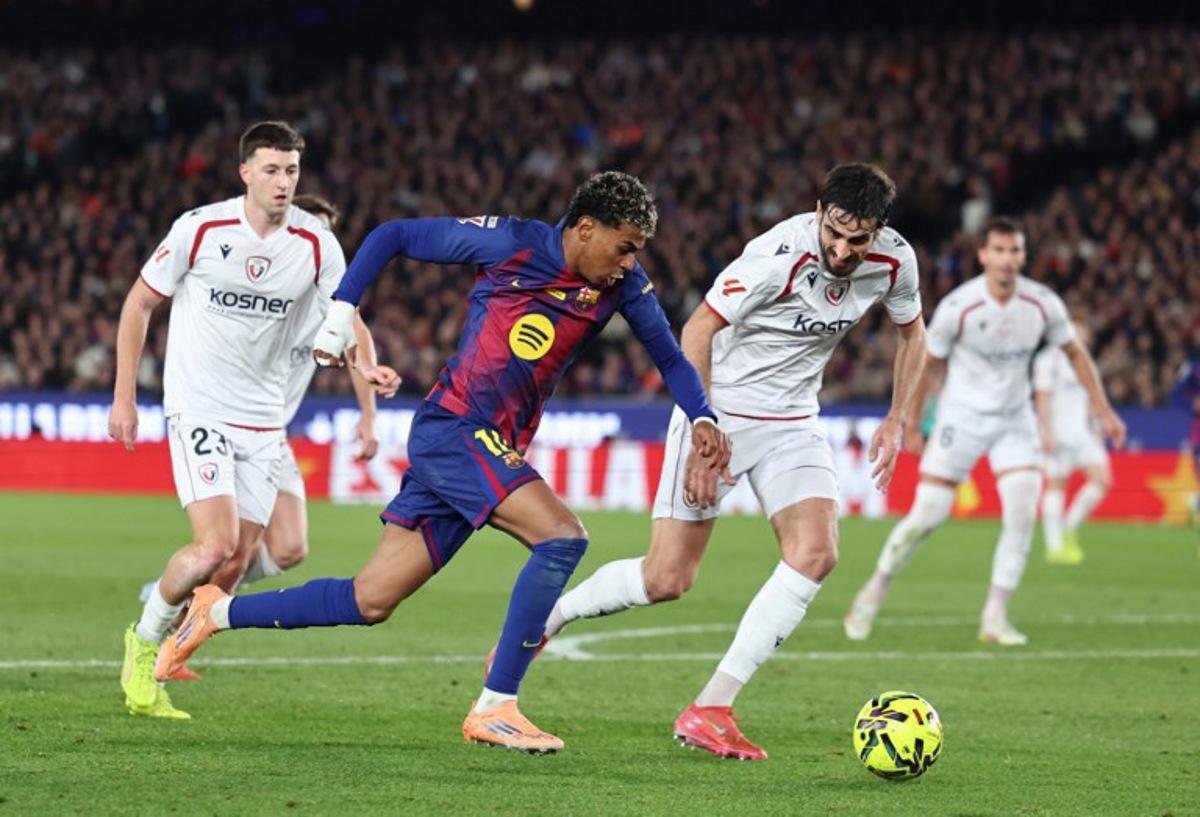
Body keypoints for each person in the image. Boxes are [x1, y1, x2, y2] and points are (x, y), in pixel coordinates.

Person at [156, 171, 732, 753]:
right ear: (586, 228)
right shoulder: (512, 243)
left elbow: (669, 355)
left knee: (370, 599)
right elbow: (391, 235)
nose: (630, 263)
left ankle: (217, 611)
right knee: (561, 537)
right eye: (625, 246)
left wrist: (703, 416)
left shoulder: (622, 287)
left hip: (486, 445)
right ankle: (496, 705)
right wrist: (340, 314)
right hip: (456, 429)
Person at [532, 163, 928, 760]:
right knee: (666, 580)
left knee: (816, 554)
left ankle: (711, 707)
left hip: (794, 420)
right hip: (723, 411)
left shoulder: (895, 262)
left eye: (859, 239)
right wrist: (702, 433)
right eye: (835, 234)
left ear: (878, 232)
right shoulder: (774, 255)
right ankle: (545, 621)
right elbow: (697, 332)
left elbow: (914, 334)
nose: (843, 251)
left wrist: (899, 418)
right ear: (820, 211)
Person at [110, 121, 399, 719]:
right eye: (271, 169)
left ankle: (173, 639)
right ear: (245, 172)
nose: (283, 181)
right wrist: (124, 396)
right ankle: (142, 645)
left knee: (243, 559)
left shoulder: (317, 245)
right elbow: (139, 303)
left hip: (266, 426)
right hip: (201, 407)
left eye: (291, 170)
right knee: (213, 547)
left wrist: (364, 371)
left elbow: (348, 323)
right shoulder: (201, 227)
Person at [843, 217, 1126, 647]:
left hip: (1016, 421)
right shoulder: (961, 307)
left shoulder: (1042, 304)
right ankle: (873, 591)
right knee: (927, 516)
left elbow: (1076, 353)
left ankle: (994, 618)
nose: (1008, 260)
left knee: (1020, 514)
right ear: (983, 256)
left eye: (1015, 251)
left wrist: (1103, 409)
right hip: (962, 420)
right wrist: (913, 421)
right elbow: (929, 363)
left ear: (1023, 255)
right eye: (999, 250)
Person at [1033, 320, 1111, 565]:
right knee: (1056, 485)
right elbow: (1042, 397)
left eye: (1084, 332)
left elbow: (1089, 399)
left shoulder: (1084, 362)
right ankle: (1054, 546)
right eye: (1078, 330)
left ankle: (1068, 526)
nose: (1083, 336)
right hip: (1058, 432)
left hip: (1082, 433)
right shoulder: (1048, 360)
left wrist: (1097, 427)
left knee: (1103, 480)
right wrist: (1046, 431)